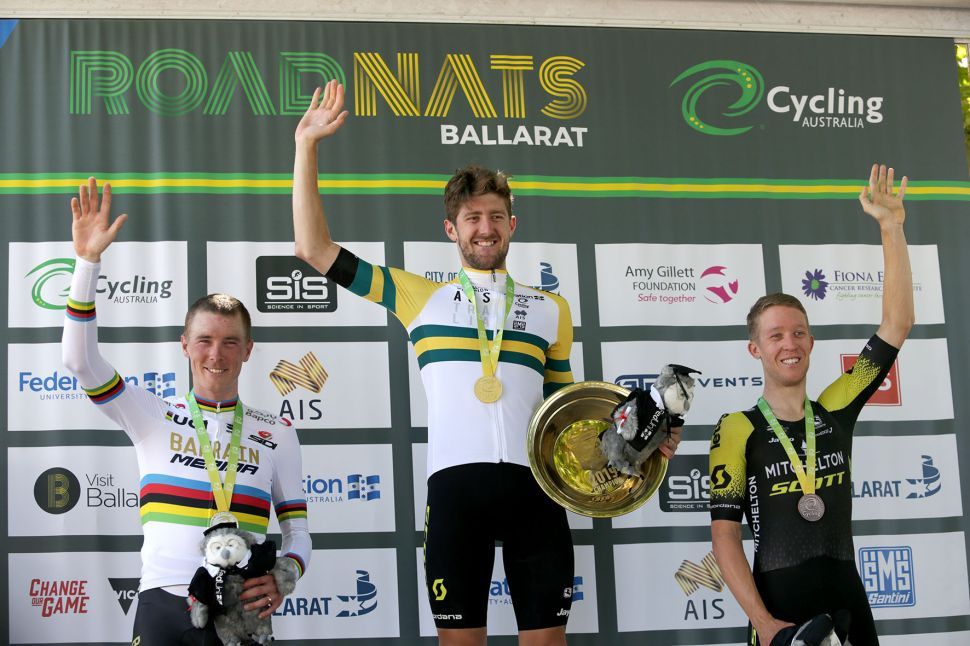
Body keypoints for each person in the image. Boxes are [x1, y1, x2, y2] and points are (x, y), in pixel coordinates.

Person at [292, 80, 681, 646]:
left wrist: (639, 446)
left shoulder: (552, 309)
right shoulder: (417, 296)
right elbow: (314, 250)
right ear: (451, 229)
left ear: (512, 226)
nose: (485, 228)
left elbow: (569, 423)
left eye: (496, 216)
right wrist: (306, 148)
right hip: (455, 492)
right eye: (472, 217)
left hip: (537, 491)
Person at [62, 177, 311, 645]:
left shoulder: (276, 431)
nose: (216, 354)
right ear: (184, 345)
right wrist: (88, 261)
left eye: (230, 342)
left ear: (248, 351)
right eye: (204, 341)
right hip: (162, 605)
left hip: (240, 612)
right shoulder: (149, 412)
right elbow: (79, 361)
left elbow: (299, 532)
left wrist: (284, 574)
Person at [709, 164, 913, 646]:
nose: (789, 343)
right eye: (775, 335)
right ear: (755, 350)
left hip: (848, 600)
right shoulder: (737, 428)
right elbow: (725, 539)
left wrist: (892, 228)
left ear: (812, 341)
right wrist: (766, 626)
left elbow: (896, 325)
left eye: (798, 332)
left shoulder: (835, 408)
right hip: (780, 611)